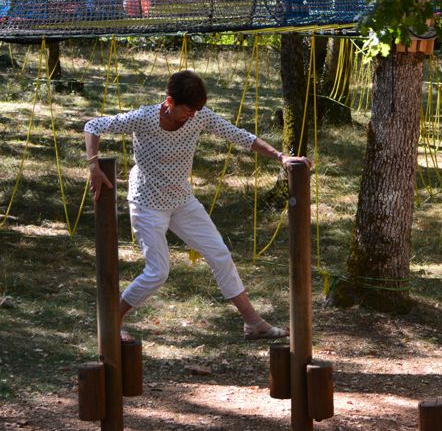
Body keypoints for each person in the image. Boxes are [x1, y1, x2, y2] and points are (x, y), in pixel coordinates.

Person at [84, 69, 311, 341]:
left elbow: (239, 135)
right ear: (169, 102)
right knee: (158, 271)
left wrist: (280, 156)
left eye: (196, 110)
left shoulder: (199, 116)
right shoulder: (144, 118)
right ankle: (111, 321)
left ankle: (253, 323)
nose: (192, 116)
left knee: (220, 254)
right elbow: (93, 126)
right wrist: (93, 165)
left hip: (182, 200)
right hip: (147, 203)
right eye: (186, 110)